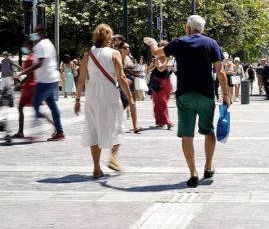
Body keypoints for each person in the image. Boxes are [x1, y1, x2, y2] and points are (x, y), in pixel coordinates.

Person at [145, 15, 230, 188]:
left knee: (186, 134)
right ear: (202, 29)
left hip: (185, 95)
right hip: (206, 94)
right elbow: (220, 72)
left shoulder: (179, 42)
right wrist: (226, 94)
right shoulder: (211, 43)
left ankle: (193, 173)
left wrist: (153, 42)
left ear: (187, 27)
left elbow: (157, 52)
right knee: (208, 131)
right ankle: (207, 166)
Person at [74, 24, 133, 178]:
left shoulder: (88, 55)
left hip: (92, 96)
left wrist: (78, 99)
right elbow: (121, 78)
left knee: (94, 130)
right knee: (117, 126)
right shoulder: (114, 54)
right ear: (109, 38)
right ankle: (112, 157)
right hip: (109, 95)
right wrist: (131, 98)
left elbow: (81, 80)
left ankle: (96, 167)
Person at [19, 25, 65, 141]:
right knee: (53, 106)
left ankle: (34, 134)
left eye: (35, 32)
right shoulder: (48, 44)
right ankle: (59, 131)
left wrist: (21, 73)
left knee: (35, 104)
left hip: (45, 80)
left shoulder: (41, 45)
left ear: (40, 33)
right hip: (50, 79)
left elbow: (39, 63)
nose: (33, 35)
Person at [13, 40, 47, 138]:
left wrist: (21, 82)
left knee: (22, 107)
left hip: (30, 85)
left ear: (30, 46)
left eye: (25, 45)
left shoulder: (31, 57)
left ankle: (20, 131)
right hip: (31, 85)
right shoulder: (32, 56)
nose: (24, 47)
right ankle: (55, 126)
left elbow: (31, 73)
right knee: (29, 108)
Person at [149, 42, 174, 130]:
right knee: (161, 102)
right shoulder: (158, 59)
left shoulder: (169, 59)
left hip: (167, 82)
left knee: (162, 102)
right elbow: (160, 69)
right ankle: (166, 121)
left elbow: (173, 69)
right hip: (158, 82)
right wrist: (167, 60)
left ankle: (159, 120)